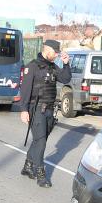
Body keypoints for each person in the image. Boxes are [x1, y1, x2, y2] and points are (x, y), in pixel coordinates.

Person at [16, 39, 71, 187]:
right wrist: (23, 110)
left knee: (39, 140)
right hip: (36, 109)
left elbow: (66, 79)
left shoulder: (53, 67)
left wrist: (66, 64)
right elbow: (25, 89)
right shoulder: (33, 66)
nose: (57, 55)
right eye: (55, 53)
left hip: (49, 110)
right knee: (41, 142)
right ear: (47, 50)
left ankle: (27, 166)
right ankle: (41, 174)